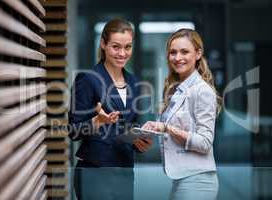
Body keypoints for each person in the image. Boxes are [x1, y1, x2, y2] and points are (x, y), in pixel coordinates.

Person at [68, 18, 152, 200]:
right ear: (103, 44)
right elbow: (73, 131)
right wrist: (97, 121)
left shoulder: (134, 83)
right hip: (94, 173)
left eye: (128, 47)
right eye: (116, 47)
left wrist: (139, 142)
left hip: (125, 172)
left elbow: (130, 126)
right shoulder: (88, 79)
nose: (122, 53)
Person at [142, 29, 221, 200]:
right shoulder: (178, 89)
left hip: (198, 182)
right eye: (173, 52)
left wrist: (167, 128)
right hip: (182, 179)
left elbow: (205, 142)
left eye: (184, 51)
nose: (178, 58)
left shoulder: (202, 91)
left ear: (198, 53)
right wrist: (152, 131)